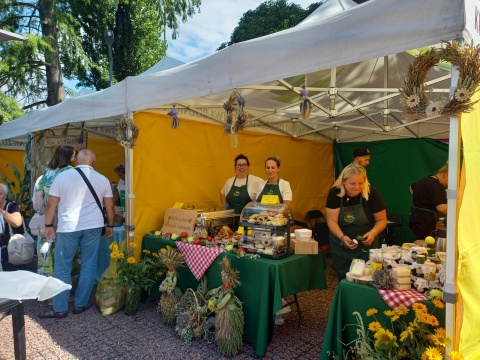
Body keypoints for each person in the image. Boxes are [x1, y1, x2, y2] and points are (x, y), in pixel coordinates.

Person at [38, 149, 115, 318]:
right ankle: (80, 304)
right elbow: (109, 206)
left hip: (68, 227)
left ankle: (59, 308)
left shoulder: (62, 177)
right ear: (93, 163)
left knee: (62, 266)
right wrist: (110, 225)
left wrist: (49, 225)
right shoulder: (103, 179)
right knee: (88, 265)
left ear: (77, 161)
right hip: (94, 226)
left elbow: (51, 204)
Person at [326, 164, 387, 280]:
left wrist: (373, 233)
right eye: (352, 183)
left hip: (365, 244)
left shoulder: (371, 193)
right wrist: (342, 237)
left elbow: (382, 220)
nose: (357, 187)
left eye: (360, 183)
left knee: (366, 276)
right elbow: (331, 220)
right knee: (344, 277)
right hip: (341, 244)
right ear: (344, 181)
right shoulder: (335, 193)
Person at [33, 145, 77, 278]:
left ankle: (48, 291)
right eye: (74, 156)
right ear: (68, 158)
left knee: (46, 252)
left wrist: (47, 218)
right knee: (64, 254)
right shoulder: (72, 173)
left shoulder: (45, 175)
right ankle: (62, 290)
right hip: (66, 220)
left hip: (47, 220)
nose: (75, 158)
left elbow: (37, 202)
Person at [408, 162, 448, 240]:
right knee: (428, 245)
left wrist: (423, 200)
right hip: (428, 222)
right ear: (446, 175)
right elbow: (442, 208)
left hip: (416, 218)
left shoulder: (424, 180)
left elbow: (411, 187)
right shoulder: (436, 186)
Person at [0, 183, 24, 271]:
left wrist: (2, 211)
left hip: (11, 250)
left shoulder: (12, 206)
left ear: (5, 196)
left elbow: (17, 222)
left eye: (0, 194)